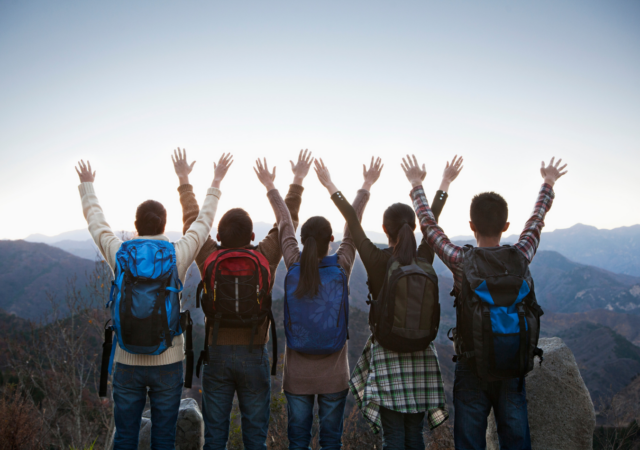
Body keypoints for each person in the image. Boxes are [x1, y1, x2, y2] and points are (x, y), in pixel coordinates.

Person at [404, 155, 567, 450]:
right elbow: (536, 222)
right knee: (515, 442)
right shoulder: (521, 255)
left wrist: (417, 184)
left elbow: (429, 228)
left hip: (472, 365)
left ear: (471, 224)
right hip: (513, 364)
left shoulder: (462, 261)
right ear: (506, 226)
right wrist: (549, 182)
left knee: (470, 443)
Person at [75, 153, 232, 450]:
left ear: (136, 225)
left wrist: (87, 186)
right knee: (163, 439)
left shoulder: (120, 253)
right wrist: (215, 180)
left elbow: (97, 225)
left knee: (125, 437)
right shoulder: (177, 254)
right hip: (169, 360)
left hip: (126, 359)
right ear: (164, 223)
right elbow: (203, 222)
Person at [173, 149, 313, 450]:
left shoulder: (209, 254)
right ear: (252, 234)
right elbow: (287, 223)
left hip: (217, 354)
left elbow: (192, 223)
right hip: (255, 353)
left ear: (219, 236)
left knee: (214, 438)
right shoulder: (264, 256)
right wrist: (296, 181)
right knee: (254, 438)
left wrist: (186, 180)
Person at [325, 156, 463, 449]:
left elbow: (352, 219)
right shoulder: (424, 256)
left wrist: (331, 185)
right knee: (415, 435)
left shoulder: (377, 261)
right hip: (422, 353)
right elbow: (432, 220)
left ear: (385, 229)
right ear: (413, 227)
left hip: (387, 354)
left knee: (394, 436)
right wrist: (443, 183)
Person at [257, 157, 380, 450]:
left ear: (302, 240)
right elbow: (354, 225)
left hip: (297, 377)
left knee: (298, 440)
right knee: (330, 441)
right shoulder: (342, 266)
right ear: (332, 240)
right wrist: (365, 185)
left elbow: (284, 223)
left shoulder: (293, 263)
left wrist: (272, 185)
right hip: (334, 376)